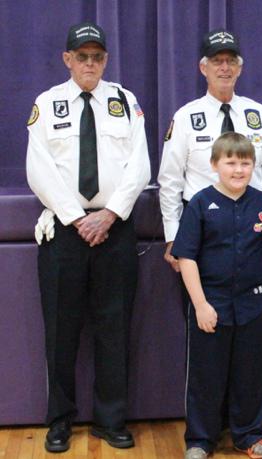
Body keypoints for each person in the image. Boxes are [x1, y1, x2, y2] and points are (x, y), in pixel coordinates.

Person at [26, 22, 150, 453]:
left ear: (106, 61)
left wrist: (110, 214)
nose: (90, 64)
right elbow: (38, 169)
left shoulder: (124, 100)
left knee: (114, 329)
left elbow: (139, 165)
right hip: (64, 230)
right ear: (67, 60)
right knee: (60, 330)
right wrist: (79, 219)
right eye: (83, 57)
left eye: (97, 57)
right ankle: (60, 420)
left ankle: (110, 420)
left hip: (114, 229)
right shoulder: (48, 103)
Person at [172, 132, 262, 459]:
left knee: (249, 375)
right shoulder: (199, 203)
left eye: (245, 163)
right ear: (214, 165)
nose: (238, 170)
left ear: (254, 166)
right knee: (205, 375)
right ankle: (200, 439)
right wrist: (200, 304)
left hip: (253, 305)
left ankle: (250, 435)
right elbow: (186, 258)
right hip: (211, 306)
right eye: (231, 163)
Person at [158, 28, 262, 274]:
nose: (225, 68)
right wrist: (173, 235)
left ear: (240, 68)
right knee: (202, 306)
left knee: (252, 303)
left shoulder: (257, 114)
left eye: (231, 62)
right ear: (203, 68)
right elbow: (170, 180)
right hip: (202, 224)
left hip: (254, 224)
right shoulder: (186, 117)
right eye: (217, 61)